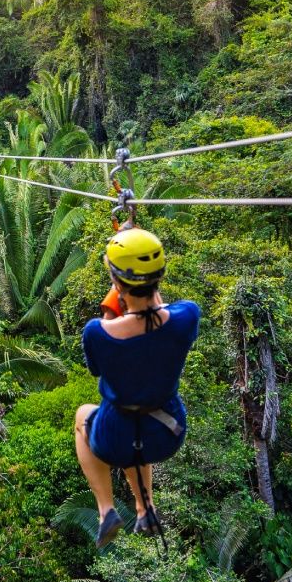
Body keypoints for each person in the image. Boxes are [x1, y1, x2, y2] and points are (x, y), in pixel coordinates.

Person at [75, 227, 201, 548]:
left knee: (84, 416)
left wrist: (116, 299)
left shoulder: (97, 334)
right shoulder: (188, 317)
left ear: (117, 284)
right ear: (159, 277)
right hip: (167, 432)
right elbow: (161, 313)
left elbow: (98, 366)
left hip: (115, 438)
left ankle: (106, 511)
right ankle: (146, 508)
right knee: (140, 423)